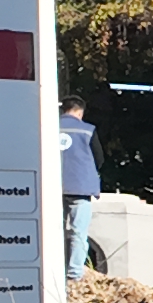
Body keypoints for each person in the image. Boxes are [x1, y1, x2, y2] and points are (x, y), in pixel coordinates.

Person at [57, 96, 102, 279]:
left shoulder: (46, 126)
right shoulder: (88, 130)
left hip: (52, 187)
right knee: (79, 232)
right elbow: (99, 158)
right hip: (81, 187)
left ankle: (52, 268)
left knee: (51, 230)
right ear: (79, 112)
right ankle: (74, 274)